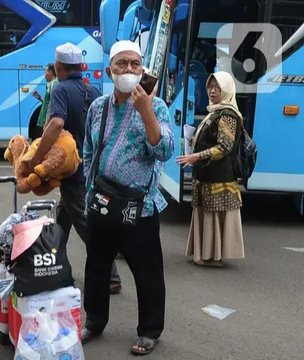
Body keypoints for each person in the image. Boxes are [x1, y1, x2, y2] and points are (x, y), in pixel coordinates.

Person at [80, 40, 174, 356]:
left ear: (142, 68)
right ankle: (94, 320)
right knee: (96, 268)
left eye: (135, 64)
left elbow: (165, 150)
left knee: (147, 272)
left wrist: (146, 111)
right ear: (110, 71)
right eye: (122, 64)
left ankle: (150, 330)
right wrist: (88, 190)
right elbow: (89, 150)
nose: (129, 70)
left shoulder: (157, 106)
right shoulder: (98, 107)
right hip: (103, 202)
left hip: (141, 207)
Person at [22, 42, 123, 294]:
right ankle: (56, 262)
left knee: (85, 223)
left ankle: (110, 274)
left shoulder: (60, 89)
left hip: (71, 170)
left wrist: (37, 159)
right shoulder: (92, 90)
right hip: (89, 166)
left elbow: (56, 124)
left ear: (58, 66)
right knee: (63, 219)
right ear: (80, 66)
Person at [176, 71, 245, 267]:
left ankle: (212, 256)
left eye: (217, 88)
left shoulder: (228, 114)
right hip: (209, 175)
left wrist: (195, 156)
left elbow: (224, 148)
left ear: (227, 90)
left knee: (213, 216)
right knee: (207, 215)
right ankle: (207, 254)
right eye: (210, 87)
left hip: (219, 177)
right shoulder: (216, 111)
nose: (212, 91)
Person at [32, 63, 58, 139]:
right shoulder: (50, 85)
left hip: (46, 123)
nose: (45, 75)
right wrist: (40, 98)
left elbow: (52, 105)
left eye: (45, 72)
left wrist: (47, 123)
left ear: (50, 72)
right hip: (44, 122)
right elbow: (48, 103)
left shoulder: (54, 85)